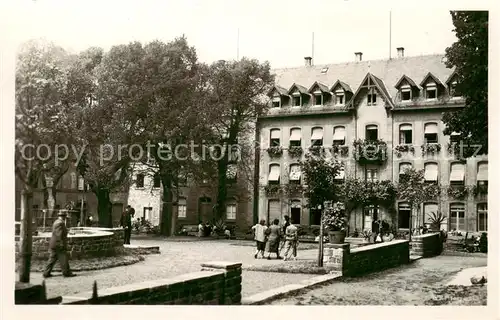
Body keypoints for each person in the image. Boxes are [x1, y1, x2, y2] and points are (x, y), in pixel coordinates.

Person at [43, 211, 76, 278]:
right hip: (58, 245)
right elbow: (59, 235)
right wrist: (61, 244)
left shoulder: (56, 222)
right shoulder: (60, 223)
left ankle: (46, 273)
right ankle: (66, 273)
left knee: (52, 259)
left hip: (54, 244)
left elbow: (60, 233)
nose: (65, 218)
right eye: (65, 217)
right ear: (63, 217)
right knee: (64, 259)